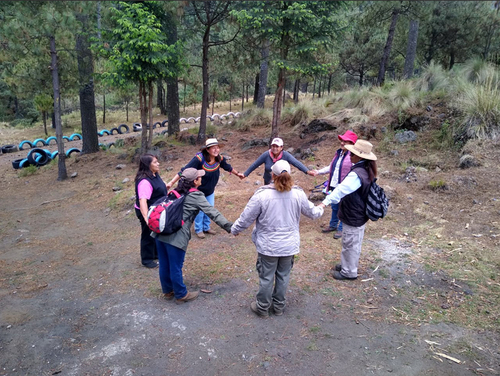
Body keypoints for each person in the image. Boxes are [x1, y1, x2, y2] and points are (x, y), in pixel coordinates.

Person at [231, 160, 324, 317]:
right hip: (289, 246)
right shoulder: (298, 194)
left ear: (271, 175)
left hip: (268, 246)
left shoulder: (262, 195)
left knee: (266, 277)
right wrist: (321, 208)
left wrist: (235, 229)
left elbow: (246, 217)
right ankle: (279, 307)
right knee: (283, 275)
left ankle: (262, 307)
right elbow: (312, 213)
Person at [154, 168, 233, 304]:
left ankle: (168, 291)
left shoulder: (176, 191)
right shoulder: (196, 195)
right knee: (175, 266)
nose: (201, 178)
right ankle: (181, 294)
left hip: (160, 233)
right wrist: (230, 227)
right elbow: (212, 212)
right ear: (195, 181)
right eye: (199, 177)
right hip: (176, 237)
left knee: (164, 263)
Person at [317, 139, 377, 281]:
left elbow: (341, 190)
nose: (350, 155)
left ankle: (349, 272)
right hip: (357, 212)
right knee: (350, 241)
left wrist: (324, 203)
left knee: (351, 243)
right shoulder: (364, 169)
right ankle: (346, 265)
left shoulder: (357, 174)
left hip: (354, 213)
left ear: (360, 156)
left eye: (353, 153)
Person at [166, 138, 244, 239]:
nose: (216, 150)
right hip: (198, 192)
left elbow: (227, 167)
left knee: (210, 208)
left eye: (217, 148)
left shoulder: (219, 158)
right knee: (199, 210)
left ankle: (206, 227)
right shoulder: (199, 159)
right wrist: (171, 182)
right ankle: (199, 229)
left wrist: (238, 174)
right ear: (207, 150)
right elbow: (184, 171)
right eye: (213, 148)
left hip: (210, 190)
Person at [315, 130, 358, 239]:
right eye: (342, 140)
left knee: (343, 208)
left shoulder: (353, 157)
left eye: (346, 141)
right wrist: (318, 172)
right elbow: (331, 167)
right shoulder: (338, 153)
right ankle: (333, 225)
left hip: (345, 188)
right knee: (334, 206)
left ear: (352, 144)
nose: (342, 143)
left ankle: (341, 229)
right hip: (334, 185)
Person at [134, 154, 168, 269]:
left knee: (155, 232)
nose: (158, 164)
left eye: (157, 161)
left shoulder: (154, 174)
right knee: (148, 234)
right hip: (146, 211)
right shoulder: (144, 181)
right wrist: (146, 218)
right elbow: (143, 201)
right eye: (155, 162)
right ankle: (147, 259)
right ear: (148, 165)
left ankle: (155, 254)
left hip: (156, 210)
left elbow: (158, 188)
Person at [242, 137, 317, 185]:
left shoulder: (286, 155)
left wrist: (307, 171)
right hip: (268, 182)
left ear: (281, 147)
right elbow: (255, 164)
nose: (274, 148)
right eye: (273, 146)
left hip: (282, 183)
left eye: (277, 146)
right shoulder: (266, 155)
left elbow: (296, 163)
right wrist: (245, 174)